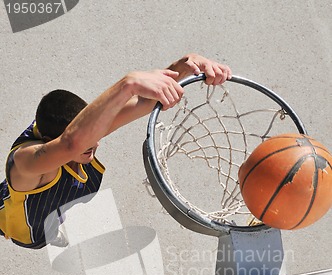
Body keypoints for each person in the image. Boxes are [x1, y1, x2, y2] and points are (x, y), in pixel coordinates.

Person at [0, 54, 232, 249]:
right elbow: (71, 144)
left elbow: (143, 101)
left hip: (48, 193)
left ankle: (54, 221)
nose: (97, 143)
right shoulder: (25, 163)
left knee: (60, 196)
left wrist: (182, 67)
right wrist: (127, 83)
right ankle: (50, 229)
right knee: (38, 224)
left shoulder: (80, 132)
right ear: (50, 142)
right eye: (88, 143)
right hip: (18, 225)